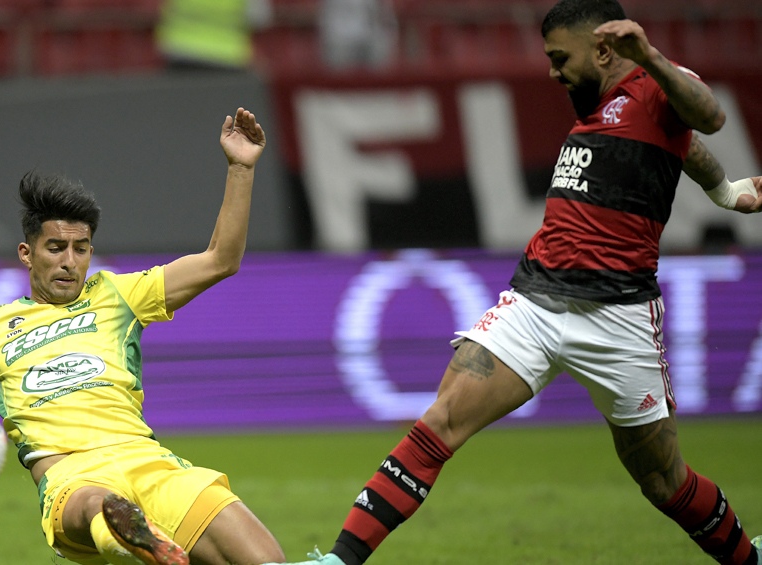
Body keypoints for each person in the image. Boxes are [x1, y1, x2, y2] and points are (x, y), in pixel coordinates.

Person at [266, 1, 762, 564]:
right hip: (535, 302)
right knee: (440, 423)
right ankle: (338, 561)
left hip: (619, 317)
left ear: (604, 50)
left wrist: (650, 58)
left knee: (663, 481)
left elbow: (708, 118)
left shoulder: (658, 85)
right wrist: (725, 190)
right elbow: (685, 144)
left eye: (560, 58)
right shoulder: (603, 105)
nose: (552, 72)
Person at [0, 107, 286, 565]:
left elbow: (221, 259)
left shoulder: (120, 294)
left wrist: (240, 169)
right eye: (56, 247)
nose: (69, 261)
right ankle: (126, 538)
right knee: (99, 506)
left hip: (147, 461)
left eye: (81, 249)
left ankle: (136, 543)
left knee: (267, 558)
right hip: (70, 477)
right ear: (27, 253)